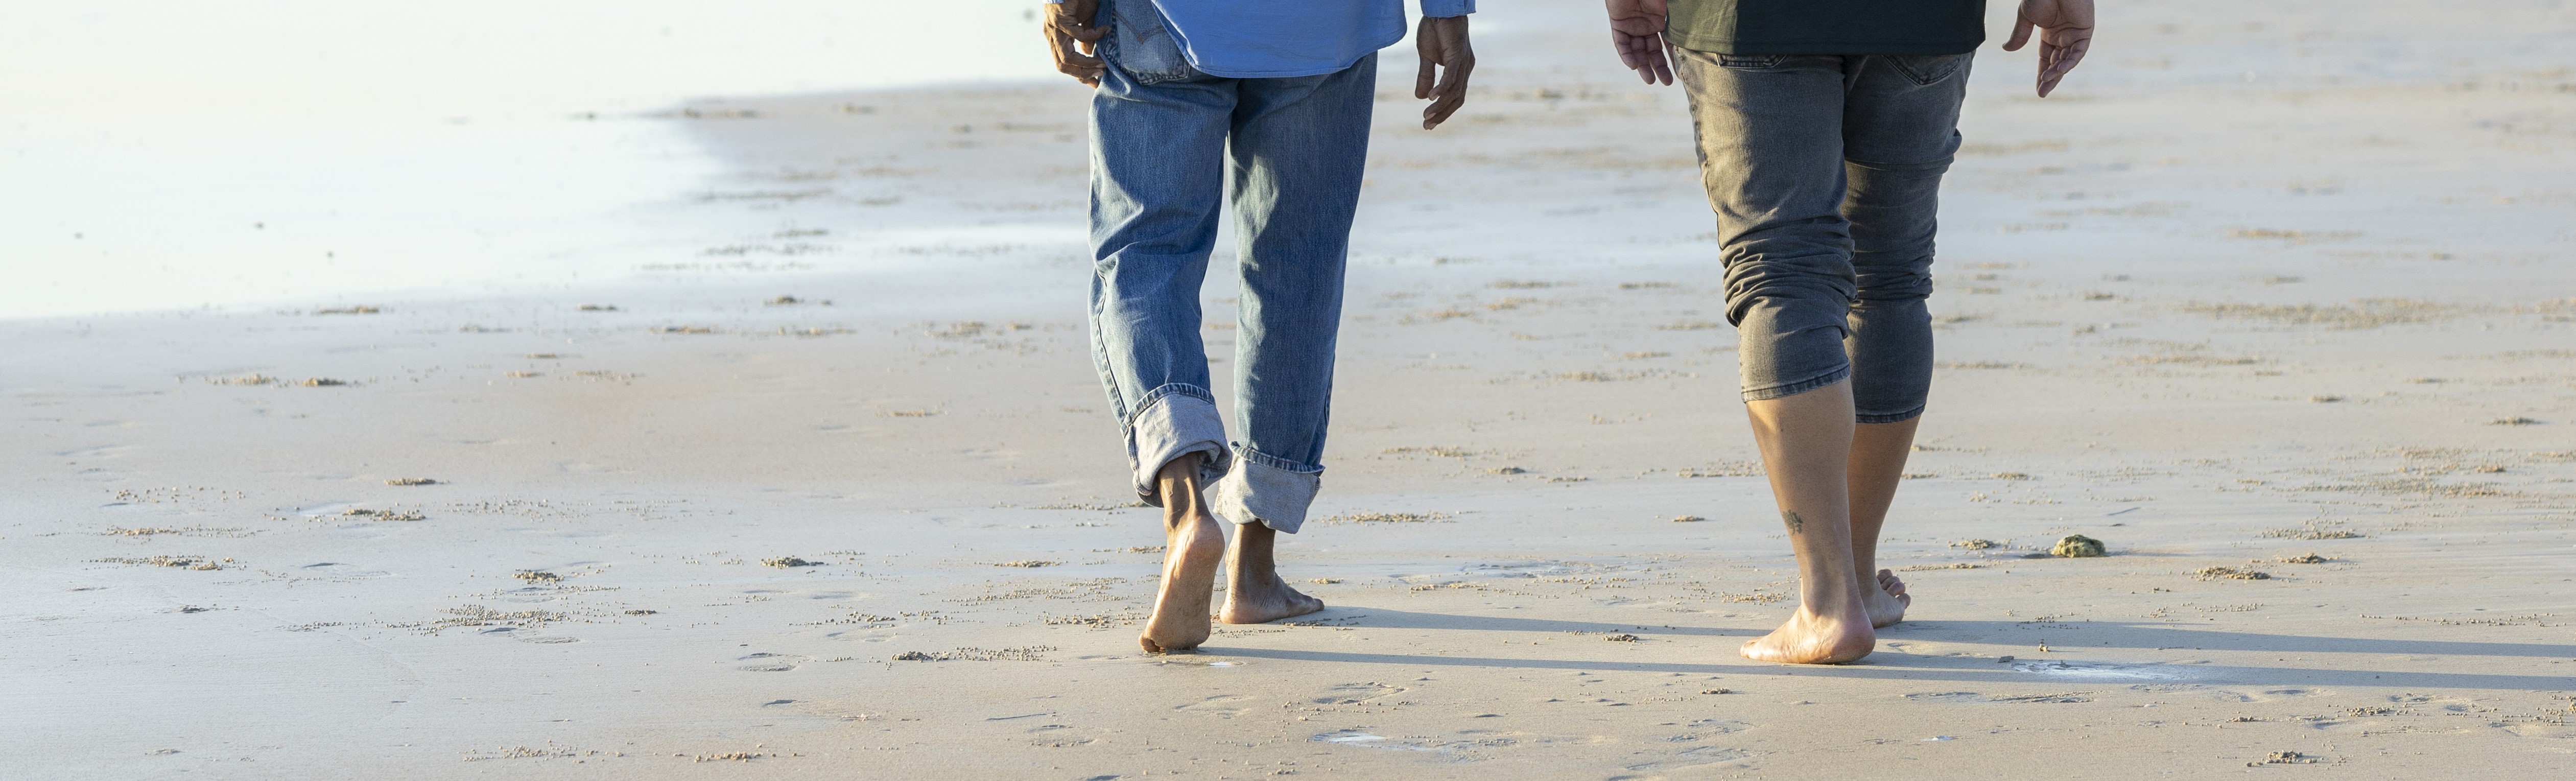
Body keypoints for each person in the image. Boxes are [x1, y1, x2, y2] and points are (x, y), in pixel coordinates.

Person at [1600, 0, 2094, 664]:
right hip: (1921, 22)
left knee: (1782, 268)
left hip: (1746, 18)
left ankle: (1829, 601)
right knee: (1889, 273)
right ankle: (1856, 576)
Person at [1041, 0, 1478, 653]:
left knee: (1144, 254)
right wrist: (1448, 8)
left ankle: (1187, 505)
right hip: (1326, 26)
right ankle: (1254, 570)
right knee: (1295, 267)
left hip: (1162, 21)